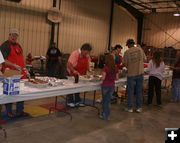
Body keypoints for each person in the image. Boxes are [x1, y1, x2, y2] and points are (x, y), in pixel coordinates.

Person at [0, 28, 29, 118]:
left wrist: (25, 69)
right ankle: (9, 112)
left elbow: (21, 58)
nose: (14, 37)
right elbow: (3, 60)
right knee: (10, 93)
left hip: (20, 73)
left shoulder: (18, 46)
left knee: (21, 92)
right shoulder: (5, 45)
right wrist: (14, 65)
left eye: (15, 35)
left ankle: (20, 111)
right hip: (10, 74)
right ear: (9, 35)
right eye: (12, 35)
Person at [123, 39, 146, 113]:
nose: (128, 47)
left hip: (131, 74)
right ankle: (139, 107)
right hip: (140, 73)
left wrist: (128, 67)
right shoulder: (140, 50)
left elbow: (124, 64)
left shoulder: (127, 52)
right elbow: (145, 59)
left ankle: (130, 108)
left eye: (128, 45)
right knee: (139, 91)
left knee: (130, 91)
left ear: (129, 44)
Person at [67, 43, 92, 107]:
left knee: (79, 87)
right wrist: (74, 71)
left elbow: (88, 64)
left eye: (88, 53)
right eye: (86, 53)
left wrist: (90, 70)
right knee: (71, 87)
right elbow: (69, 64)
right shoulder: (75, 54)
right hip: (73, 73)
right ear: (83, 50)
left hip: (82, 74)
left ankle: (77, 100)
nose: (87, 54)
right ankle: (70, 101)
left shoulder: (87, 56)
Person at [100, 54, 118, 121]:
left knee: (104, 101)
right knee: (108, 101)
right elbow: (117, 78)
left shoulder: (105, 68)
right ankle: (106, 115)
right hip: (112, 86)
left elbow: (103, 78)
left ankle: (104, 115)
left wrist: (100, 78)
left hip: (105, 86)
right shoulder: (115, 68)